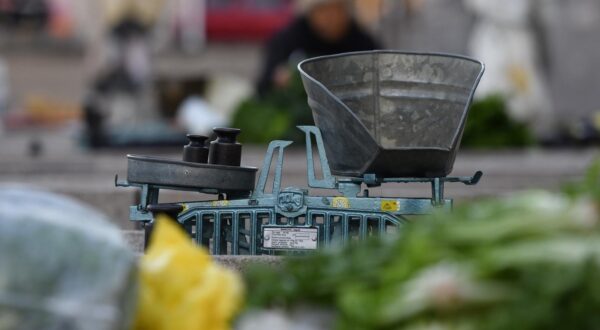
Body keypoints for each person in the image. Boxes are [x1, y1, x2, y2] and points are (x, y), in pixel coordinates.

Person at [256, 0, 380, 96]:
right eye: (323, 10)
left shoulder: (362, 41)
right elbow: (263, 85)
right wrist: (278, 79)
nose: (331, 17)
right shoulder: (290, 38)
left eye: (337, 9)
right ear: (310, 13)